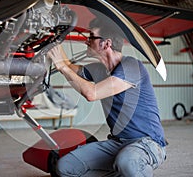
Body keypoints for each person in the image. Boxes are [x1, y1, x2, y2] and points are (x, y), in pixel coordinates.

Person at [47, 17, 167, 177]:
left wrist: (62, 67)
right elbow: (68, 66)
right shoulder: (98, 70)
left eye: (91, 37)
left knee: (127, 162)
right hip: (118, 143)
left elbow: (92, 93)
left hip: (147, 143)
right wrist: (56, 40)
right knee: (65, 167)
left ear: (106, 44)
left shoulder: (132, 66)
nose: (86, 41)